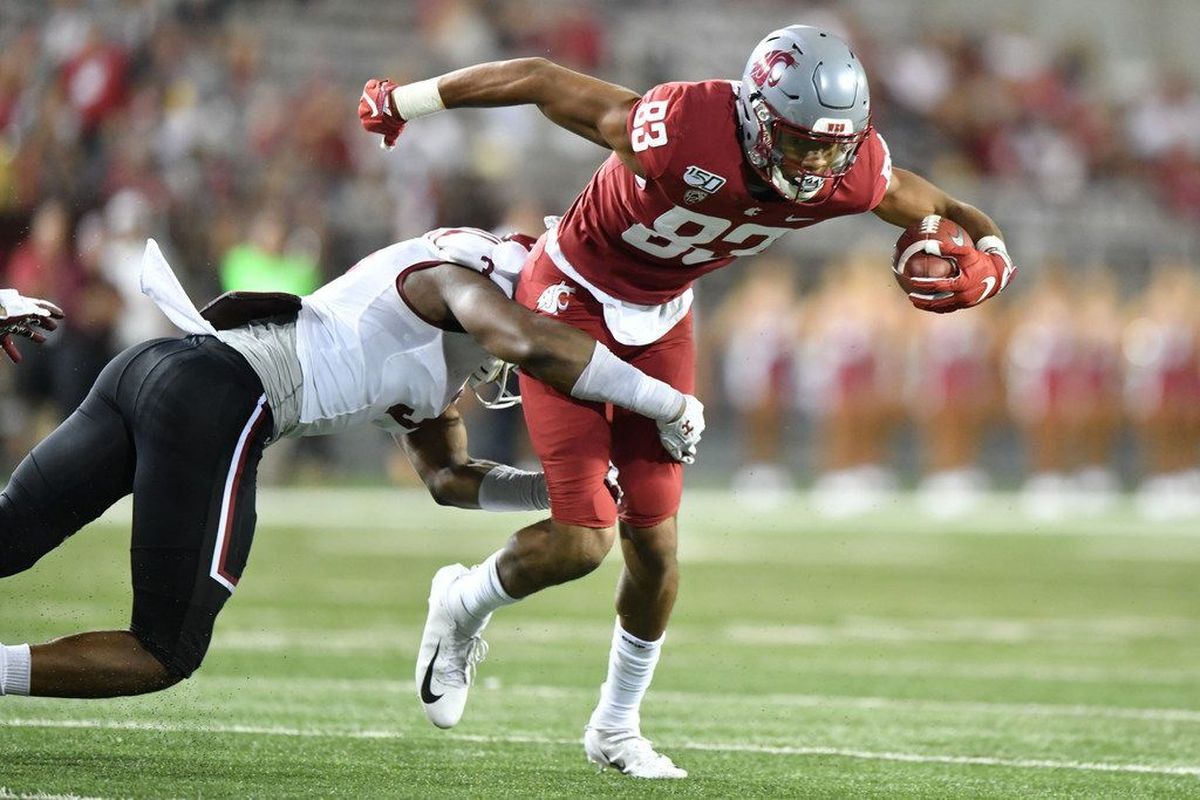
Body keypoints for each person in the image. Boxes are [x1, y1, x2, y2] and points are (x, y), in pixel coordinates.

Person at [359, 24, 1018, 778]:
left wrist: (994, 263)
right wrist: (406, 101)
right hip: (568, 299)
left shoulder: (851, 169)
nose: (814, 164)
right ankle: (463, 602)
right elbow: (543, 79)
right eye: (800, 143)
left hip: (663, 320)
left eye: (830, 147)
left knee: (658, 550)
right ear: (756, 117)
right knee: (582, 540)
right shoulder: (683, 128)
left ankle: (615, 727)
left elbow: (948, 209)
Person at [0, 227, 704, 701]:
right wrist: (663, 400)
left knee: (9, 537)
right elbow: (518, 335)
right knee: (163, 649)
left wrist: (547, 492)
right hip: (222, 396)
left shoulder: (439, 362)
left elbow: (448, 479)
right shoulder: (455, 279)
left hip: (157, 365)